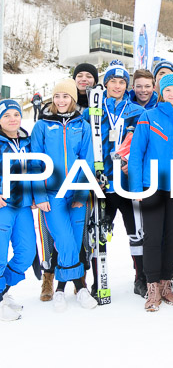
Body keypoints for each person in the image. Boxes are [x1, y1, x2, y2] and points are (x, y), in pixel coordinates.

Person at [32, 79, 97, 312]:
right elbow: (35, 162)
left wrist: (81, 191)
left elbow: (86, 160)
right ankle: (70, 288)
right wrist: (39, 194)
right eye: (57, 96)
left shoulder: (83, 125)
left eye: (66, 96)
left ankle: (71, 289)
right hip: (52, 193)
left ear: (72, 99)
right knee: (65, 240)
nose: (61, 100)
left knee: (77, 241)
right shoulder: (42, 126)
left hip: (76, 192)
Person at [83, 61, 146, 297]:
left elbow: (140, 145)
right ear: (105, 83)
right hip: (104, 181)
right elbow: (86, 146)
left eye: (122, 82)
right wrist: (92, 173)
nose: (117, 86)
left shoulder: (137, 111)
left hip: (128, 182)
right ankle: (99, 281)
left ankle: (141, 278)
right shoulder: (93, 111)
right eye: (113, 81)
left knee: (136, 231)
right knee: (99, 231)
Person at [129, 73, 173, 312]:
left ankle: (166, 283)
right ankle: (152, 284)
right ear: (161, 92)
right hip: (151, 185)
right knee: (153, 236)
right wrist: (135, 188)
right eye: (168, 90)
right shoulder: (148, 116)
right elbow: (136, 154)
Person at [0, 100, 36, 321]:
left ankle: (3, 290)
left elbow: (35, 169)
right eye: (6, 115)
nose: (13, 118)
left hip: (22, 205)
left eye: (16, 114)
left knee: (27, 253)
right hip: (3, 204)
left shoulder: (27, 140)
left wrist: (35, 193)